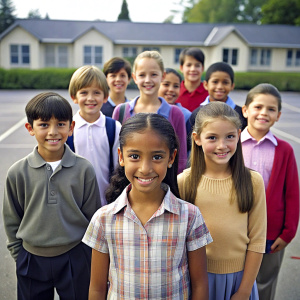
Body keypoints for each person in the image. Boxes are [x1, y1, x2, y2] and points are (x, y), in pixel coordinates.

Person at [82, 113, 213, 300]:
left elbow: (200, 284)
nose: (145, 168)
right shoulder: (104, 219)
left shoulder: (190, 216)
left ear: (171, 157)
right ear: (121, 156)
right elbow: (97, 288)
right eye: (134, 156)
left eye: (157, 157)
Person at [2, 92, 101, 300]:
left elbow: (92, 218)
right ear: (30, 128)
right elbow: (13, 219)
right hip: (31, 259)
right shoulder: (17, 172)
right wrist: (20, 256)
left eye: (61, 124)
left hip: (74, 257)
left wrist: (85, 257)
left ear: (71, 127)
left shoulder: (84, 169)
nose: (53, 132)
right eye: (44, 124)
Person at [178, 102, 267, 300]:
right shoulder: (184, 182)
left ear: (238, 135)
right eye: (212, 137)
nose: (222, 145)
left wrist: (244, 291)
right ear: (197, 138)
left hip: (240, 280)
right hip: (197, 281)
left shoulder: (253, 182)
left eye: (229, 137)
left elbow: (257, 241)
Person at [241, 83, 299, 300]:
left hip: (271, 232)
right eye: (258, 107)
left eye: (271, 109)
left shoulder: (284, 150)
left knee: (264, 283)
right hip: (237, 228)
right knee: (236, 281)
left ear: (278, 115)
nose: (264, 113)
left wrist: (288, 233)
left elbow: (292, 193)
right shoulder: (232, 143)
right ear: (245, 110)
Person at [112, 50, 187, 173]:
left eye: (153, 74)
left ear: (162, 76)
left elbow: (181, 158)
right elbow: (116, 154)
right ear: (134, 77)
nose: (147, 80)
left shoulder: (175, 114)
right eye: (142, 75)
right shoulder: (120, 111)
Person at [68, 65, 121, 206]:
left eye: (96, 93)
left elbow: (119, 167)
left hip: (107, 204)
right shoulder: (67, 129)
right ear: (74, 97)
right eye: (84, 93)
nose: (90, 98)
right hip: (76, 206)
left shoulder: (114, 127)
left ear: (105, 97)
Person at [189, 62, 247, 133]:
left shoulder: (241, 115)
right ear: (206, 85)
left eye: (225, 82)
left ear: (232, 86)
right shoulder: (196, 114)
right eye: (215, 82)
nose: (220, 87)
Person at [159, 67, 192, 139]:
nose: (171, 89)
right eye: (166, 84)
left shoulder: (186, 115)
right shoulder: (149, 110)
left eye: (176, 86)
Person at [176, 47, 208, 112]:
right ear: (181, 68)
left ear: (202, 68)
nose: (193, 69)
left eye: (197, 65)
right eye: (189, 65)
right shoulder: (175, 91)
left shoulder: (209, 93)